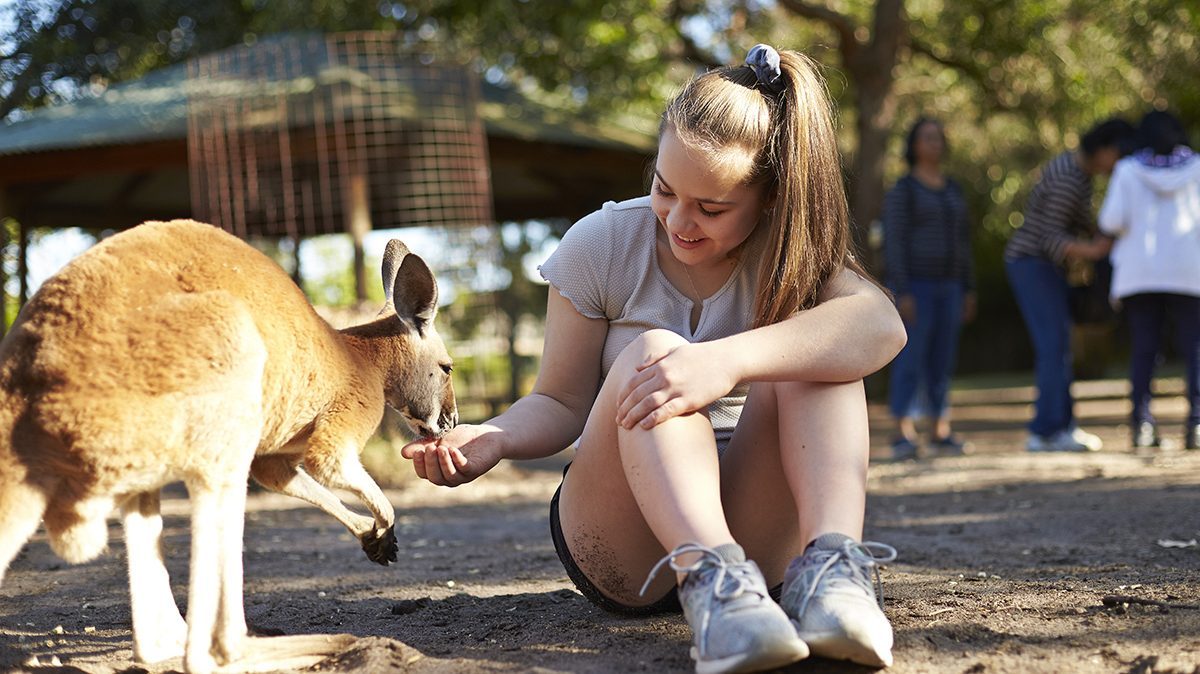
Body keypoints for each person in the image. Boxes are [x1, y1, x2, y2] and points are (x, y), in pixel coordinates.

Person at [400, 44, 907, 673]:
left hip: (757, 526)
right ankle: (715, 588)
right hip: (624, 536)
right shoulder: (604, 243)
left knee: (819, 351)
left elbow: (880, 327)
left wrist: (725, 363)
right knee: (658, 353)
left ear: (772, 199)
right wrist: (497, 436)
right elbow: (560, 402)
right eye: (665, 190)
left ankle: (834, 577)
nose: (679, 221)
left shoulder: (793, 253)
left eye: (712, 208)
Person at [1003, 118, 1134, 453]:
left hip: (1046, 267)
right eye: (1118, 155)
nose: (1119, 164)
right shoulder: (1067, 175)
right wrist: (1094, 250)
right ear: (1104, 149)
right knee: (1052, 344)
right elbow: (1049, 237)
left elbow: (1077, 223)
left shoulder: (1081, 174)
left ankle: (1062, 426)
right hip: (1031, 264)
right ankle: (1044, 430)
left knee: (1059, 343)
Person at [1098, 110, 1200, 450]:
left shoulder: (1128, 170)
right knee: (1194, 349)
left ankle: (1142, 423)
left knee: (1144, 348)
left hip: (1140, 273)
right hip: (1189, 272)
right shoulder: (1197, 167)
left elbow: (1111, 221)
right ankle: (1197, 423)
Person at [882, 118, 976, 460]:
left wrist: (968, 287)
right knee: (911, 358)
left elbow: (963, 242)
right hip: (915, 287)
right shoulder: (903, 190)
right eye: (927, 138)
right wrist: (902, 290)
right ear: (914, 145)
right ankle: (902, 431)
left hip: (950, 286)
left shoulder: (952, 189)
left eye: (939, 137)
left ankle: (940, 429)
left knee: (942, 359)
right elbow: (894, 242)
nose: (934, 143)